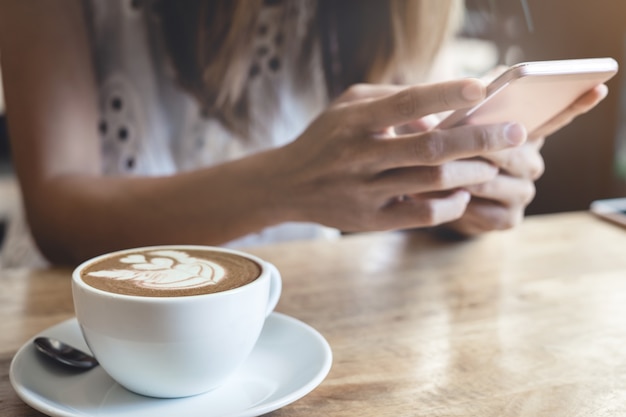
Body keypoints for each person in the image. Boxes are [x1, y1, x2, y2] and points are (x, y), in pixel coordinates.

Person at [0, 0, 608, 266]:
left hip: (302, 313)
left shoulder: (401, 9)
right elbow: (57, 217)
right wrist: (284, 184)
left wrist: (453, 198)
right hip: (86, 325)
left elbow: (400, 172)